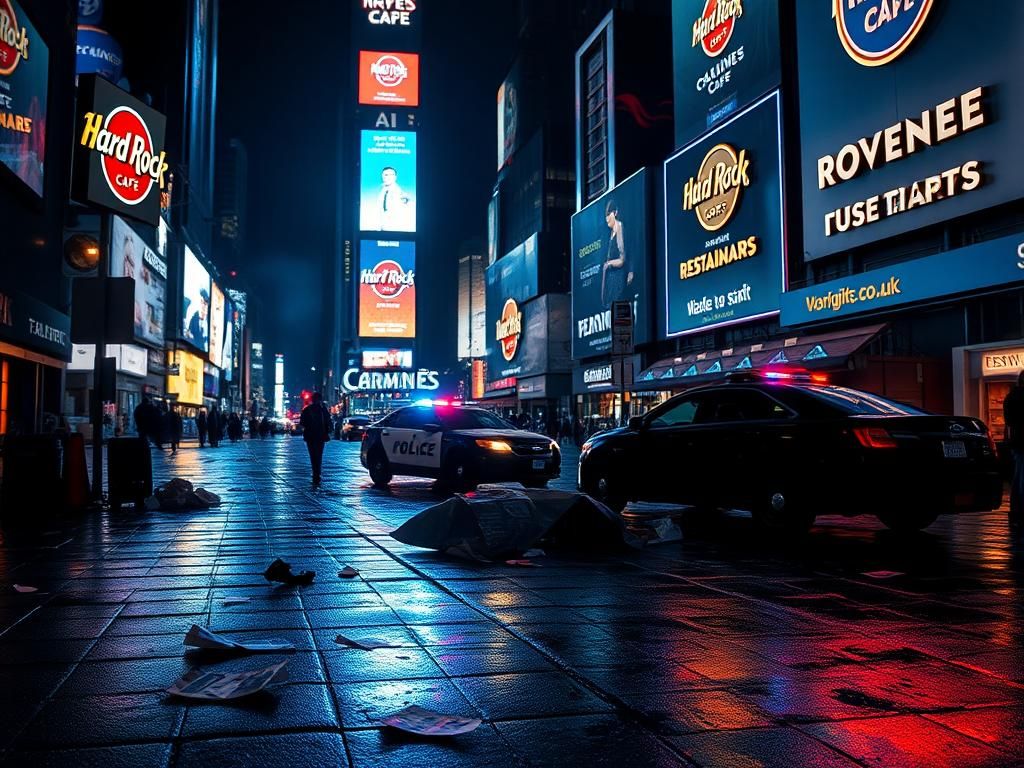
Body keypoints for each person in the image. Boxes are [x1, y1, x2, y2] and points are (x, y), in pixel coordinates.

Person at [601, 198, 632, 306]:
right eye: (606, 215)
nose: (607, 218)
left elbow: (622, 259)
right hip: (612, 279)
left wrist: (609, 263)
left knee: (619, 312)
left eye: (609, 214)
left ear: (615, 213)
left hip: (618, 278)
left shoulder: (619, 227)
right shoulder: (611, 232)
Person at [1003, 372, 1024, 523]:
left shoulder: (1011, 397)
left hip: (1017, 441)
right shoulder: (1019, 397)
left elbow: (1009, 421)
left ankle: (1016, 510)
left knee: (1018, 476)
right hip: (1021, 441)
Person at [299, 392, 332, 484]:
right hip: (320, 435)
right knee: (319, 455)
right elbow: (328, 421)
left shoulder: (307, 410)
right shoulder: (323, 410)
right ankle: (317, 472)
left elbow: (302, 423)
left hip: (310, 435)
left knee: (313, 455)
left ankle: (315, 473)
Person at [376, 166, 411, 231]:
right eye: (386, 175)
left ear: (395, 177)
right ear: (382, 176)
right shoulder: (383, 189)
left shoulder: (398, 192)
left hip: (393, 227)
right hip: (382, 226)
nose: (388, 177)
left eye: (391, 175)